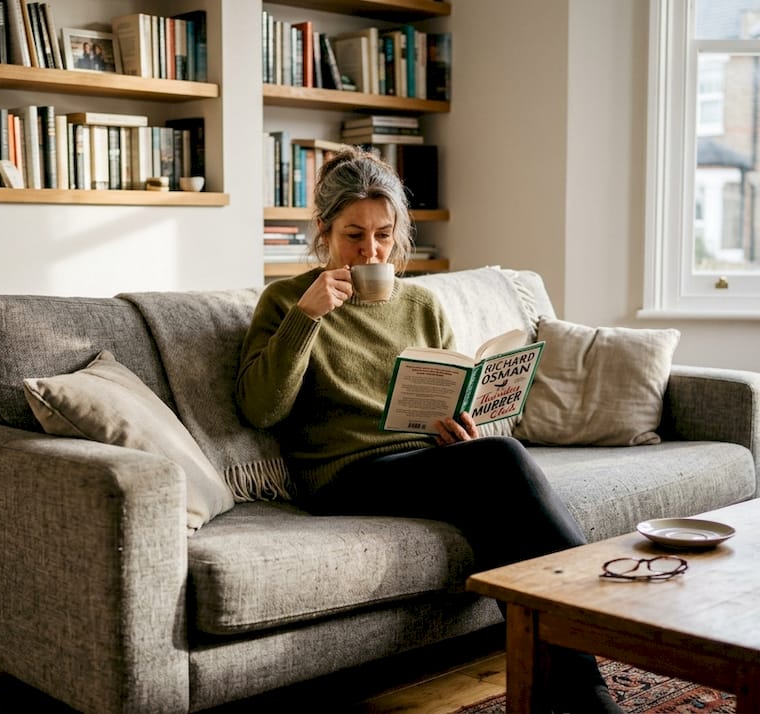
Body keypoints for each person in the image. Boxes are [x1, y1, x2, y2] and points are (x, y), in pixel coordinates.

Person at [235, 147, 622, 714]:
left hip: (422, 462)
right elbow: (260, 409)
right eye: (353, 236)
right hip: (345, 476)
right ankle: (593, 600)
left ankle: (567, 691)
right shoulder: (288, 301)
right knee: (504, 460)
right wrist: (307, 317)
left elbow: (446, 385)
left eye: (384, 236)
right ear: (323, 232)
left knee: (495, 495)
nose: (371, 251)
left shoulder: (420, 302)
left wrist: (460, 427)